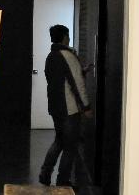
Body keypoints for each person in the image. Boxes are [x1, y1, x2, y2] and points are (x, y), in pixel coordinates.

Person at [39, 24, 91, 188]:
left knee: (59, 141)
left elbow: (61, 78)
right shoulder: (68, 55)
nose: (69, 39)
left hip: (55, 107)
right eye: (67, 36)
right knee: (70, 146)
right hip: (69, 109)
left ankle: (45, 174)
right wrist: (86, 107)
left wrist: (82, 70)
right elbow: (77, 84)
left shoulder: (51, 56)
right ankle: (62, 181)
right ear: (64, 37)